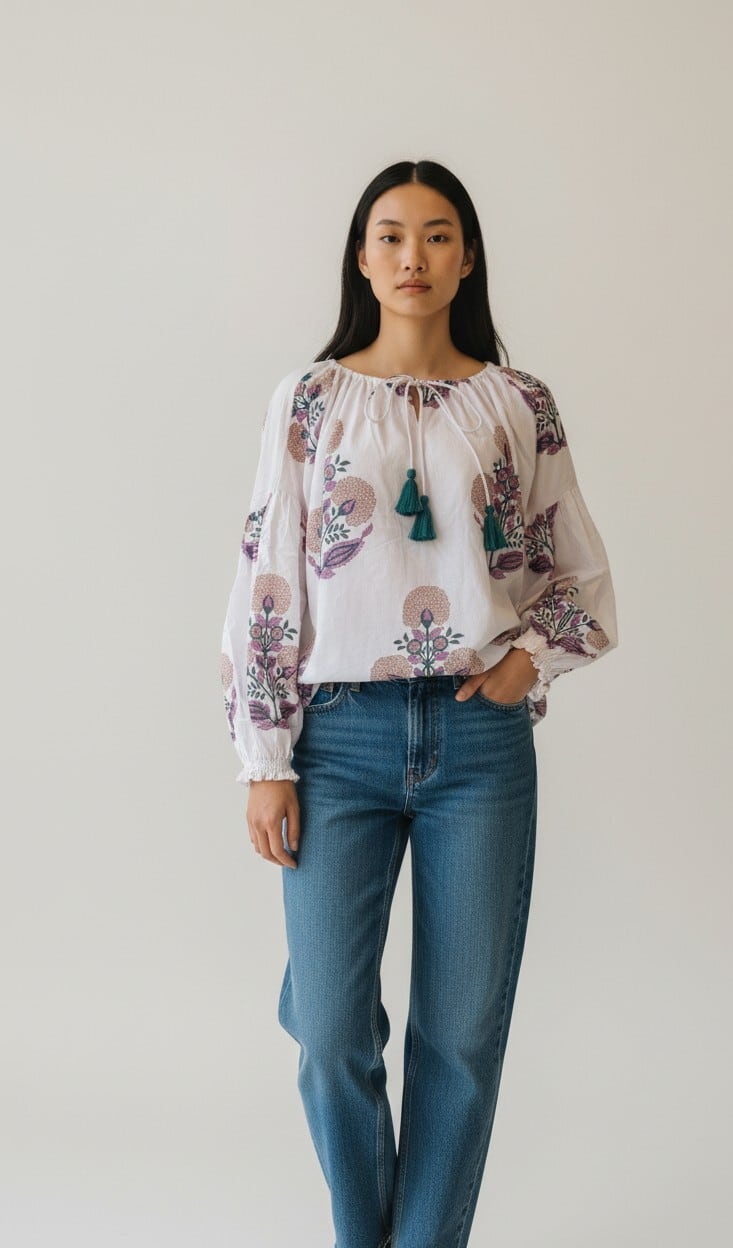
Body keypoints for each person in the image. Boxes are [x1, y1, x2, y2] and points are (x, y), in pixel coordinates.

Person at [219, 158, 618, 1248]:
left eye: (437, 235)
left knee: (460, 1037)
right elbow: (267, 579)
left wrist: (528, 661)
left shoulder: (518, 403)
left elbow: (579, 577)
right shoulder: (309, 400)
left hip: (479, 744)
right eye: (390, 235)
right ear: (360, 257)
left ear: (467, 257)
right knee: (331, 1029)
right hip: (336, 739)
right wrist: (266, 758)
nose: (412, 256)